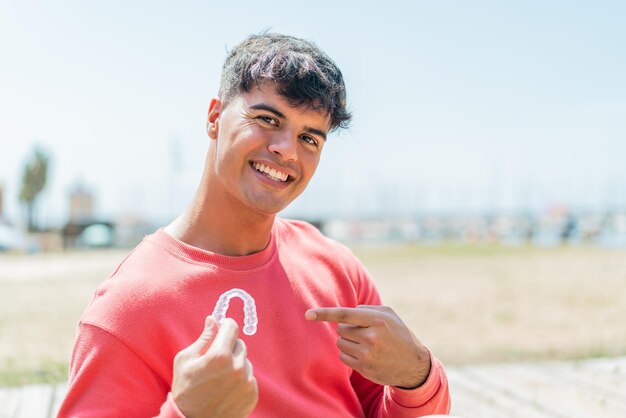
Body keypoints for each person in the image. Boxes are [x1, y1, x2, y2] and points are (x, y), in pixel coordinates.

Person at [58, 33, 450, 417]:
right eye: (267, 118)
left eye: (310, 138)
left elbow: (384, 408)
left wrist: (416, 376)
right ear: (214, 117)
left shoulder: (337, 269)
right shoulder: (127, 308)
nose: (286, 149)